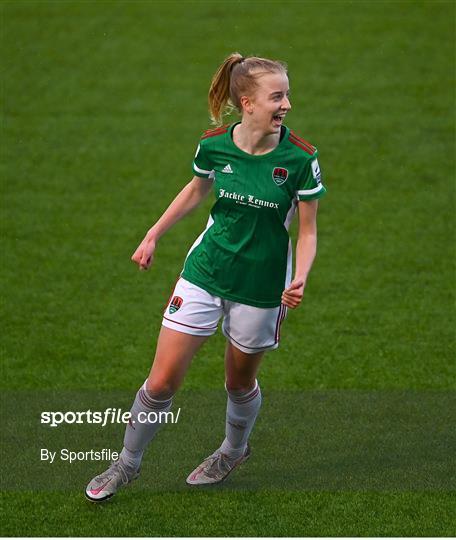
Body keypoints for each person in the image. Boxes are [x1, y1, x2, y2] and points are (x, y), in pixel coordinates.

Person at [85, 52, 326, 502]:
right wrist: (154, 234)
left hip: (261, 288)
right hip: (206, 272)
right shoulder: (215, 144)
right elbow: (197, 189)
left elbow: (308, 230)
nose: (287, 104)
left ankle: (233, 450)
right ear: (247, 102)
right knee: (159, 383)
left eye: (287, 94)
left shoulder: (300, 158)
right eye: (278, 96)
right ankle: (126, 464)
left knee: (238, 382)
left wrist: (302, 276)